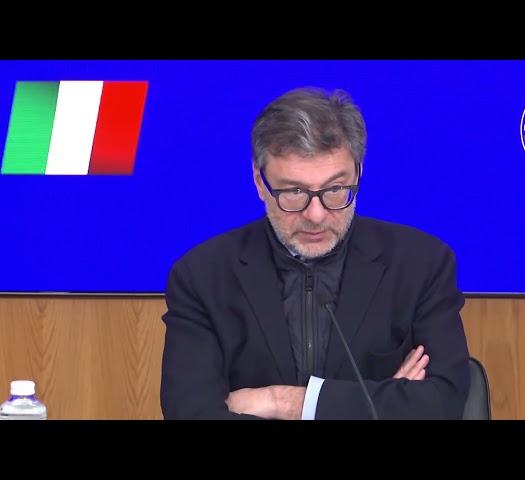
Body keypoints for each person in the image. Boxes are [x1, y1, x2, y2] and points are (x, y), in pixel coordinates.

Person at [160, 86, 471, 420]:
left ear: (359, 173)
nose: (316, 215)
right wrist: (382, 403)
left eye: (335, 189)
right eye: (294, 191)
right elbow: (190, 412)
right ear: (260, 182)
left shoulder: (420, 264)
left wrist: (285, 403)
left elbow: (441, 403)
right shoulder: (203, 276)